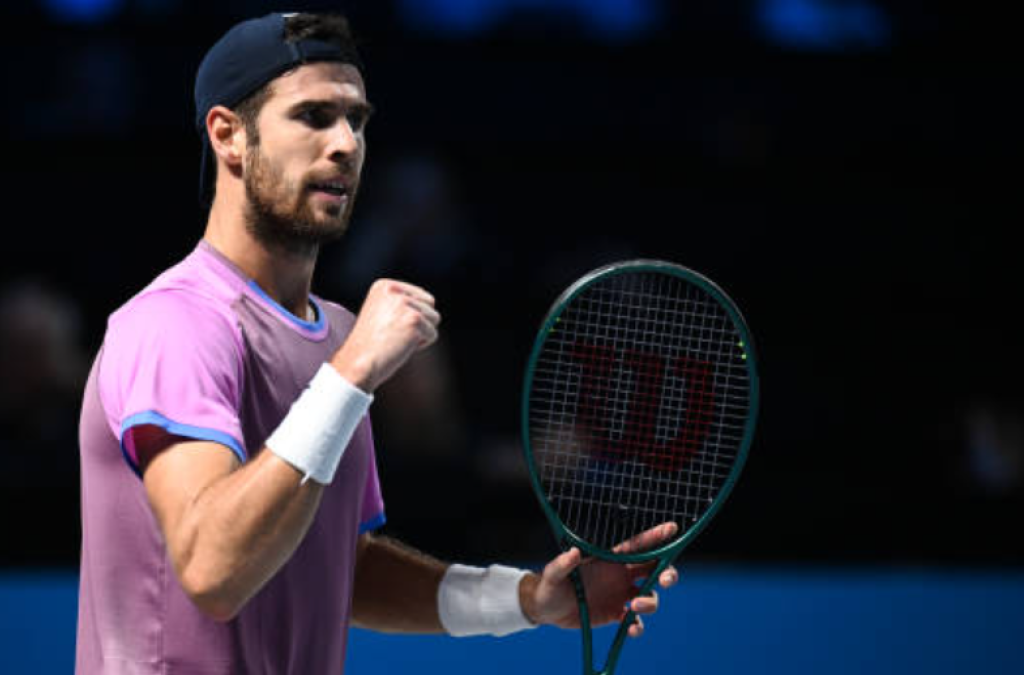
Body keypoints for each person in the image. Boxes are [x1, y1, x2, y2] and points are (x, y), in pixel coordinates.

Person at [75, 12, 679, 674]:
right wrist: (353, 372)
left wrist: (528, 598)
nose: (345, 144)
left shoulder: (335, 333)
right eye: (312, 116)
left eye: (356, 120)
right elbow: (213, 569)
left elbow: (342, 568)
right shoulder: (175, 323)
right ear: (228, 135)